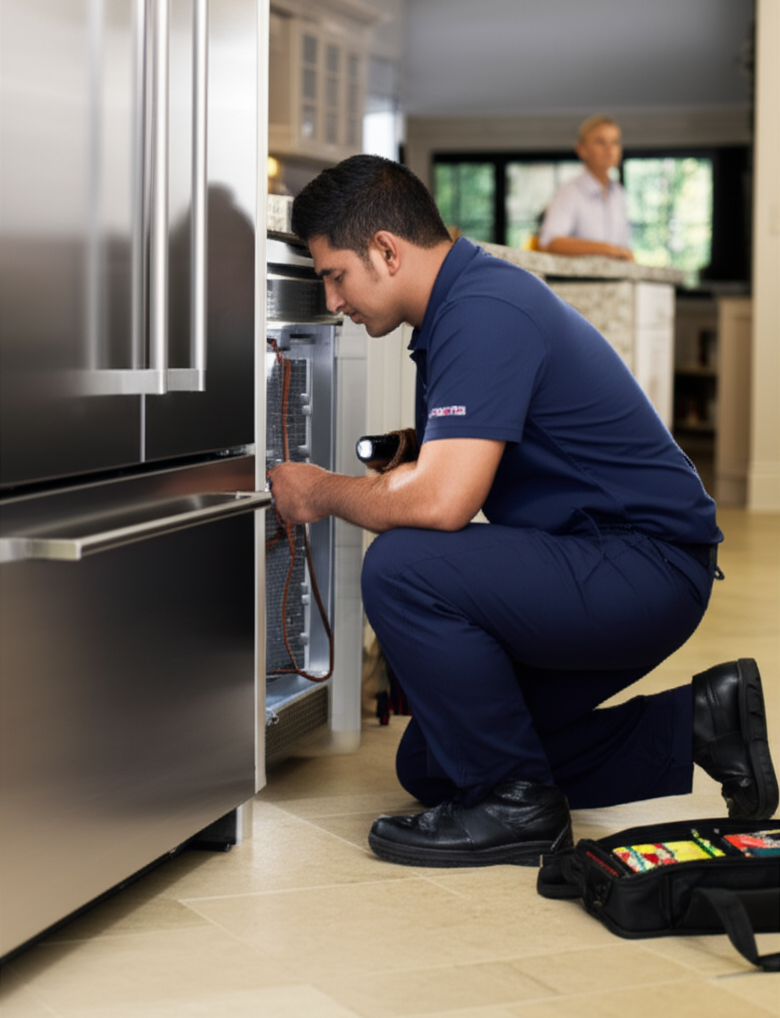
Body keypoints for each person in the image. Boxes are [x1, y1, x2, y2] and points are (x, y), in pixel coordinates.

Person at [268, 155, 777, 869]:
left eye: (333, 274)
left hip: (645, 565)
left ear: (386, 250)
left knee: (405, 566)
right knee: (434, 765)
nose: (332, 301)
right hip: (617, 559)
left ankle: (519, 808)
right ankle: (696, 722)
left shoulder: (484, 311)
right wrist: (422, 447)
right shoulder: (466, 301)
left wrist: (317, 489)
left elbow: (443, 503)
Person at [539, 114, 633, 260]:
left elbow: (624, 247)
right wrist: (607, 250)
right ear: (582, 149)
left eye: (615, 142)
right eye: (601, 142)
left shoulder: (618, 193)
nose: (610, 150)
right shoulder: (570, 192)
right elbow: (550, 242)